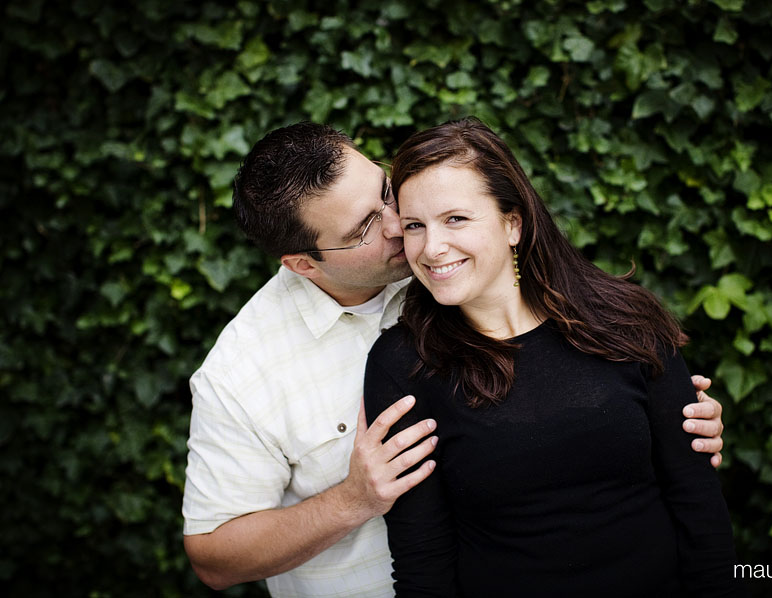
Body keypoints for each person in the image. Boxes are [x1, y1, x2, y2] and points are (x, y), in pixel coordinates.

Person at [181, 122, 727, 598]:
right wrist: (351, 500)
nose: (401, 227)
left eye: (386, 193)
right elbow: (212, 557)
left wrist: (664, 414)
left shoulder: (442, 245)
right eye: (364, 230)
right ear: (305, 264)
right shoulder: (243, 373)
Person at [364, 117, 743, 597]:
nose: (432, 248)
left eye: (455, 218)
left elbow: (699, 510)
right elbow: (424, 561)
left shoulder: (624, 321)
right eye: (415, 226)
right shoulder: (403, 366)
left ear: (512, 224)